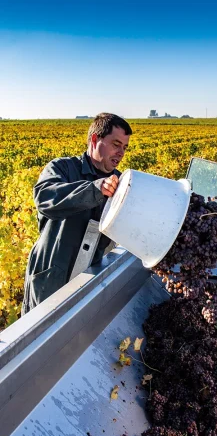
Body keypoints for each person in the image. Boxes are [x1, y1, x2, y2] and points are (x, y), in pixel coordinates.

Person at [21, 113, 132, 315]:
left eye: (125, 147)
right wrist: (95, 190)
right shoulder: (62, 168)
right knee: (39, 337)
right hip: (51, 281)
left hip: (88, 281)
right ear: (95, 140)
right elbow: (45, 198)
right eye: (116, 144)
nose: (121, 152)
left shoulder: (122, 183)